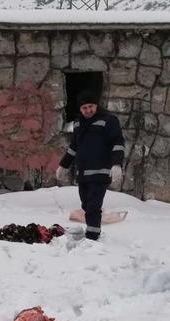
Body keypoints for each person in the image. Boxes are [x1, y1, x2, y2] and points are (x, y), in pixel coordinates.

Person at [56, 91, 125, 240]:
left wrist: (117, 164)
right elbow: (74, 147)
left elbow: (118, 143)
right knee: (86, 205)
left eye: (91, 106)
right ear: (80, 109)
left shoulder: (109, 120)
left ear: (96, 105)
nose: (88, 110)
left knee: (93, 205)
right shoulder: (78, 123)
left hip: (101, 172)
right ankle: (92, 230)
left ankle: (92, 237)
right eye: (84, 108)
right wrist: (64, 165)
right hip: (83, 173)